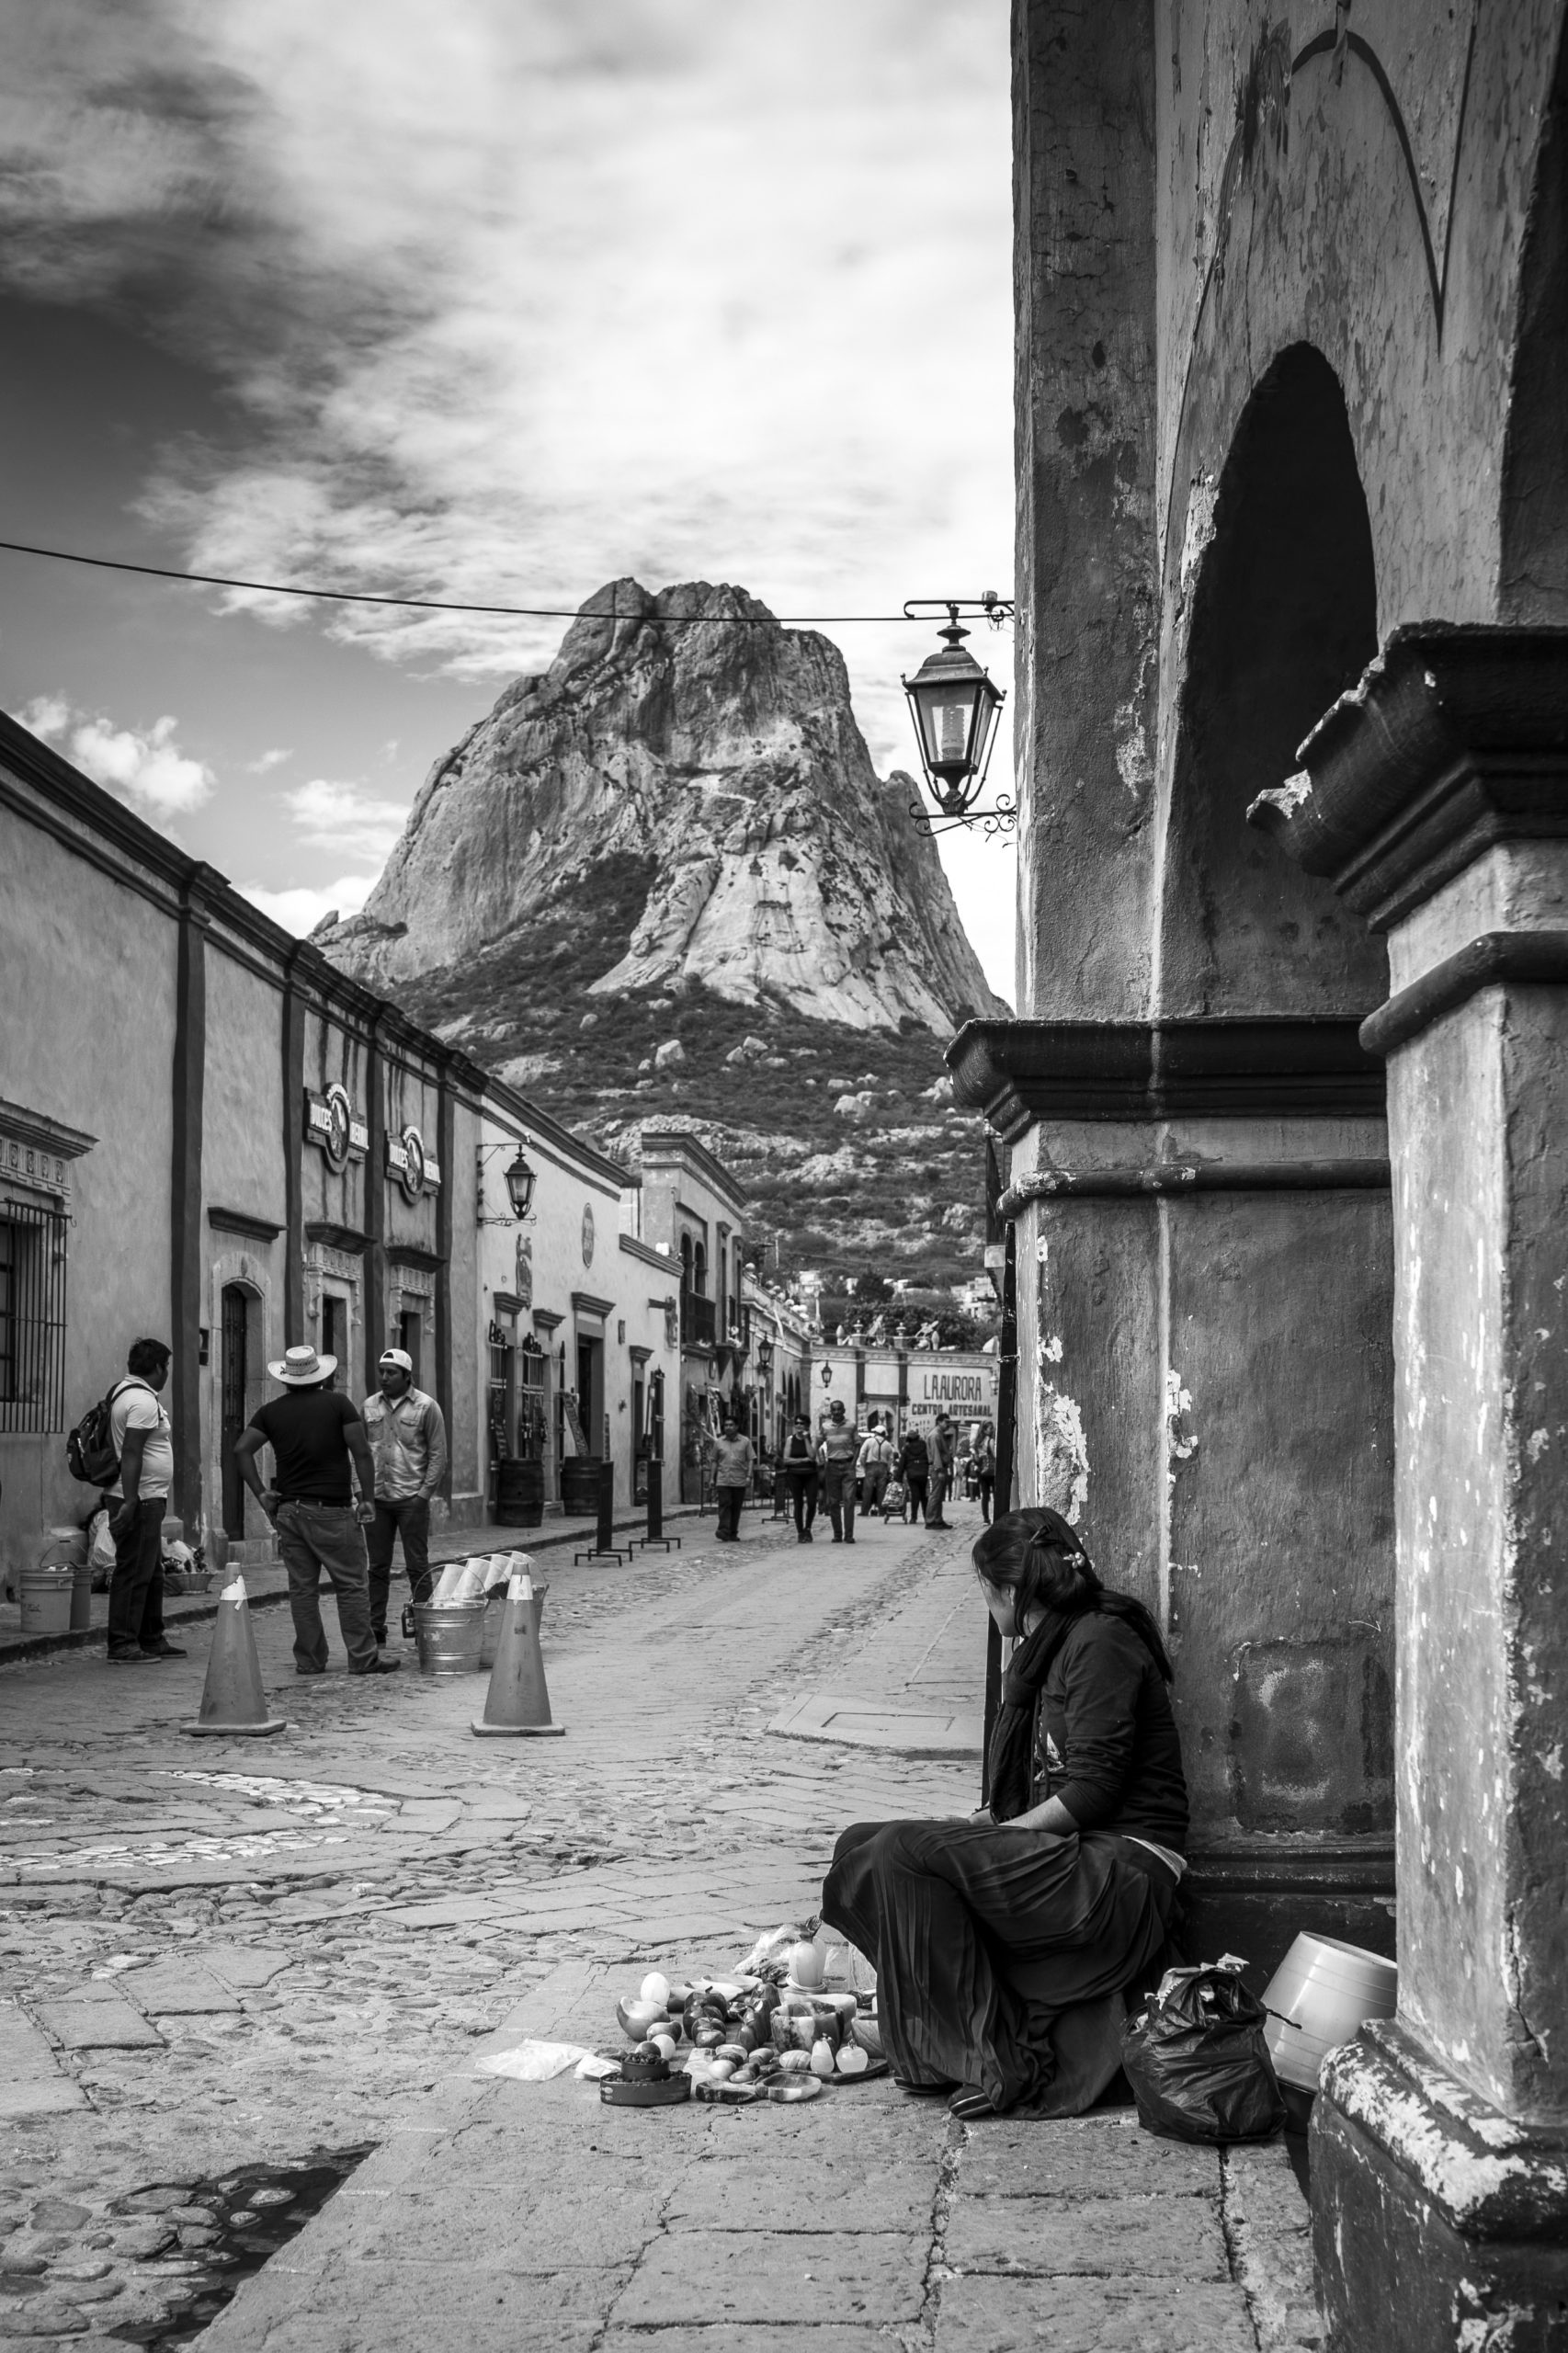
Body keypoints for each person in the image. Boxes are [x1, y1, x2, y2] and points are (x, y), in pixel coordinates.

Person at [822, 1508, 1188, 2119]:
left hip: (1123, 1868)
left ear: (1012, 1593)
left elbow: (1094, 1790)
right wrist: (986, 1825)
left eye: (985, 1592)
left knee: (902, 1855)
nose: (985, 1605)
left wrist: (1002, 1836)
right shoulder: (1051, 1648)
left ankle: (998, 2058)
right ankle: (935, 2047)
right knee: (861, 1843)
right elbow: (1046, 1777)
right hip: (1076, 1848)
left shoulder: (1100, 1642)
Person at [233, 1343, 398, 1678]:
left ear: (287, 1379)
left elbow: (241, 1450)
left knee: (302, 1589)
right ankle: (363, 1658)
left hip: (290, 1512)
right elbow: (362, 1453)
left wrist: (262, 1493)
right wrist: (367, 1498)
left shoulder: (270, 1412)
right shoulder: (338, 1405)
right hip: (332, 1511)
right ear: (320, 1375)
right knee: (351, 1584)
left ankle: (310, 1660)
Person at [105, 1339, 186, 1664]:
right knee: (134, 1571)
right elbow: (132, 1452)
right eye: (166, 1366)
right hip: (140, 1499)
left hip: (146, 1497)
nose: (167, 1373)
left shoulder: (125, 1392)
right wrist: (130, 1499)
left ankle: (151, 1637)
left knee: (152, 1573)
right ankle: (123, 1643)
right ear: (156, 1368)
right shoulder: (142, 1401)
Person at [361, 1347, 449, 1646]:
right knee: (377, 1567)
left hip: (412, 1498)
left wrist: (423, 1495)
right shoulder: (370, 1406)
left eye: (391, 1372)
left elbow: (438, 1455)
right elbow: (360, 1451)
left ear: (406, 1376)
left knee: (417, 1565)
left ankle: (426, 1626)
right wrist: (360, 1492)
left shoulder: (426, 1407)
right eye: (382, 1371)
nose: (384, 1377)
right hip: (378, 1499)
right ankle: (376, 1629)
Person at [816, 1399, 861, 1543]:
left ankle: (848, 1535)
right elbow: (817, 1443)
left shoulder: (851, 1425)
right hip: (832, 1466)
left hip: (848, 1465)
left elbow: (857, 1444)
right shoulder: (825, 1426)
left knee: (849, 1500)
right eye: (833, 1410)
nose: (836, 1412)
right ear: (831, 1411)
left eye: (838, 1409)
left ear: (843, 1411)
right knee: (833, 1502)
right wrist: (821, 1460)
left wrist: (853, 1463)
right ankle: (837, 1534)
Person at [779, 1415, 819, 1542]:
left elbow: (812, 1456)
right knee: (798, 1503)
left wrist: (806, 1439)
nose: (799, 1426)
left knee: (812, 1502)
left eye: (802, 1423)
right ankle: (800, 1531)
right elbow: (786, 1459)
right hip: (794, 1474)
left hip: (811, 1474)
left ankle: (808, 1528)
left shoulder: (813, 1438)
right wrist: (803, 1460)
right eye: (797, 1423)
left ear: (807, 1425)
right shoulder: (791, 1439)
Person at [712, 1415, 753, 1540]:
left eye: (731, 1425)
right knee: (724, 1505)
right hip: (723, 1479)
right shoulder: (718, 1442)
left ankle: (733, 1532)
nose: (728, 1427)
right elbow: (714, 1460)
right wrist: (711, 1479)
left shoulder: (745, 1442)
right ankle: (724, 1530)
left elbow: (751, 1459)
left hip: (739, 1479)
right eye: (726, 1425)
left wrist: (749, 1476)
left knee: (735, 1507)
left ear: (736, 1427)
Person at [856, 1416, 896, 1521]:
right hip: (882, 1467)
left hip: (870, 1466)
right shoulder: (888, 1445)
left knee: (867, 1489)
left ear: (877, 1433)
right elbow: (891, 1459)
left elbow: (862, 1454)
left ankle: (864, 1511)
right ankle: (882, 1511)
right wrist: (887, 1469)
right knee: (881, 1490)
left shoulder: (869, 1441)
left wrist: (864, 1465)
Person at [895, 1424, 930, 1526]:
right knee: (924, 1495)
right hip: (923, 1473)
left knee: (915, 1495)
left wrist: (898, 1477)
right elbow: (929, 1458)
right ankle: (926, 1516)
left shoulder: (906, 1448)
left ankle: (914, 1518)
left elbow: (902, 1463)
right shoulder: (924, 1445)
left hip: (912, 1474)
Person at [926, 1415, 957, 1528]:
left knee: (939, 1495)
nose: (947, 1424)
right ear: (939, 1422)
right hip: (937, 1468)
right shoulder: (935, 1435)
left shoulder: (939, 1434)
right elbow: (936, 1455)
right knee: (935, 1495)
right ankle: (931, 1520)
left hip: (940, 1467)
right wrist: (939, 1470)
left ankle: (938, 1519)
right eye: (945, 1422)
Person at [973, 1425, 997, 1524]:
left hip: (982, 1471)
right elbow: (995, 1455)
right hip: (991, 1471)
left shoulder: (977, 1442)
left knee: (985, 1496)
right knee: (996, 1494)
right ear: (985, 1430)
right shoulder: (990, 1441)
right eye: (990, 1428)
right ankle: (998, 1516)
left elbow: (976, 1458)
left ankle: (986, 1519)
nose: (992, 1430)